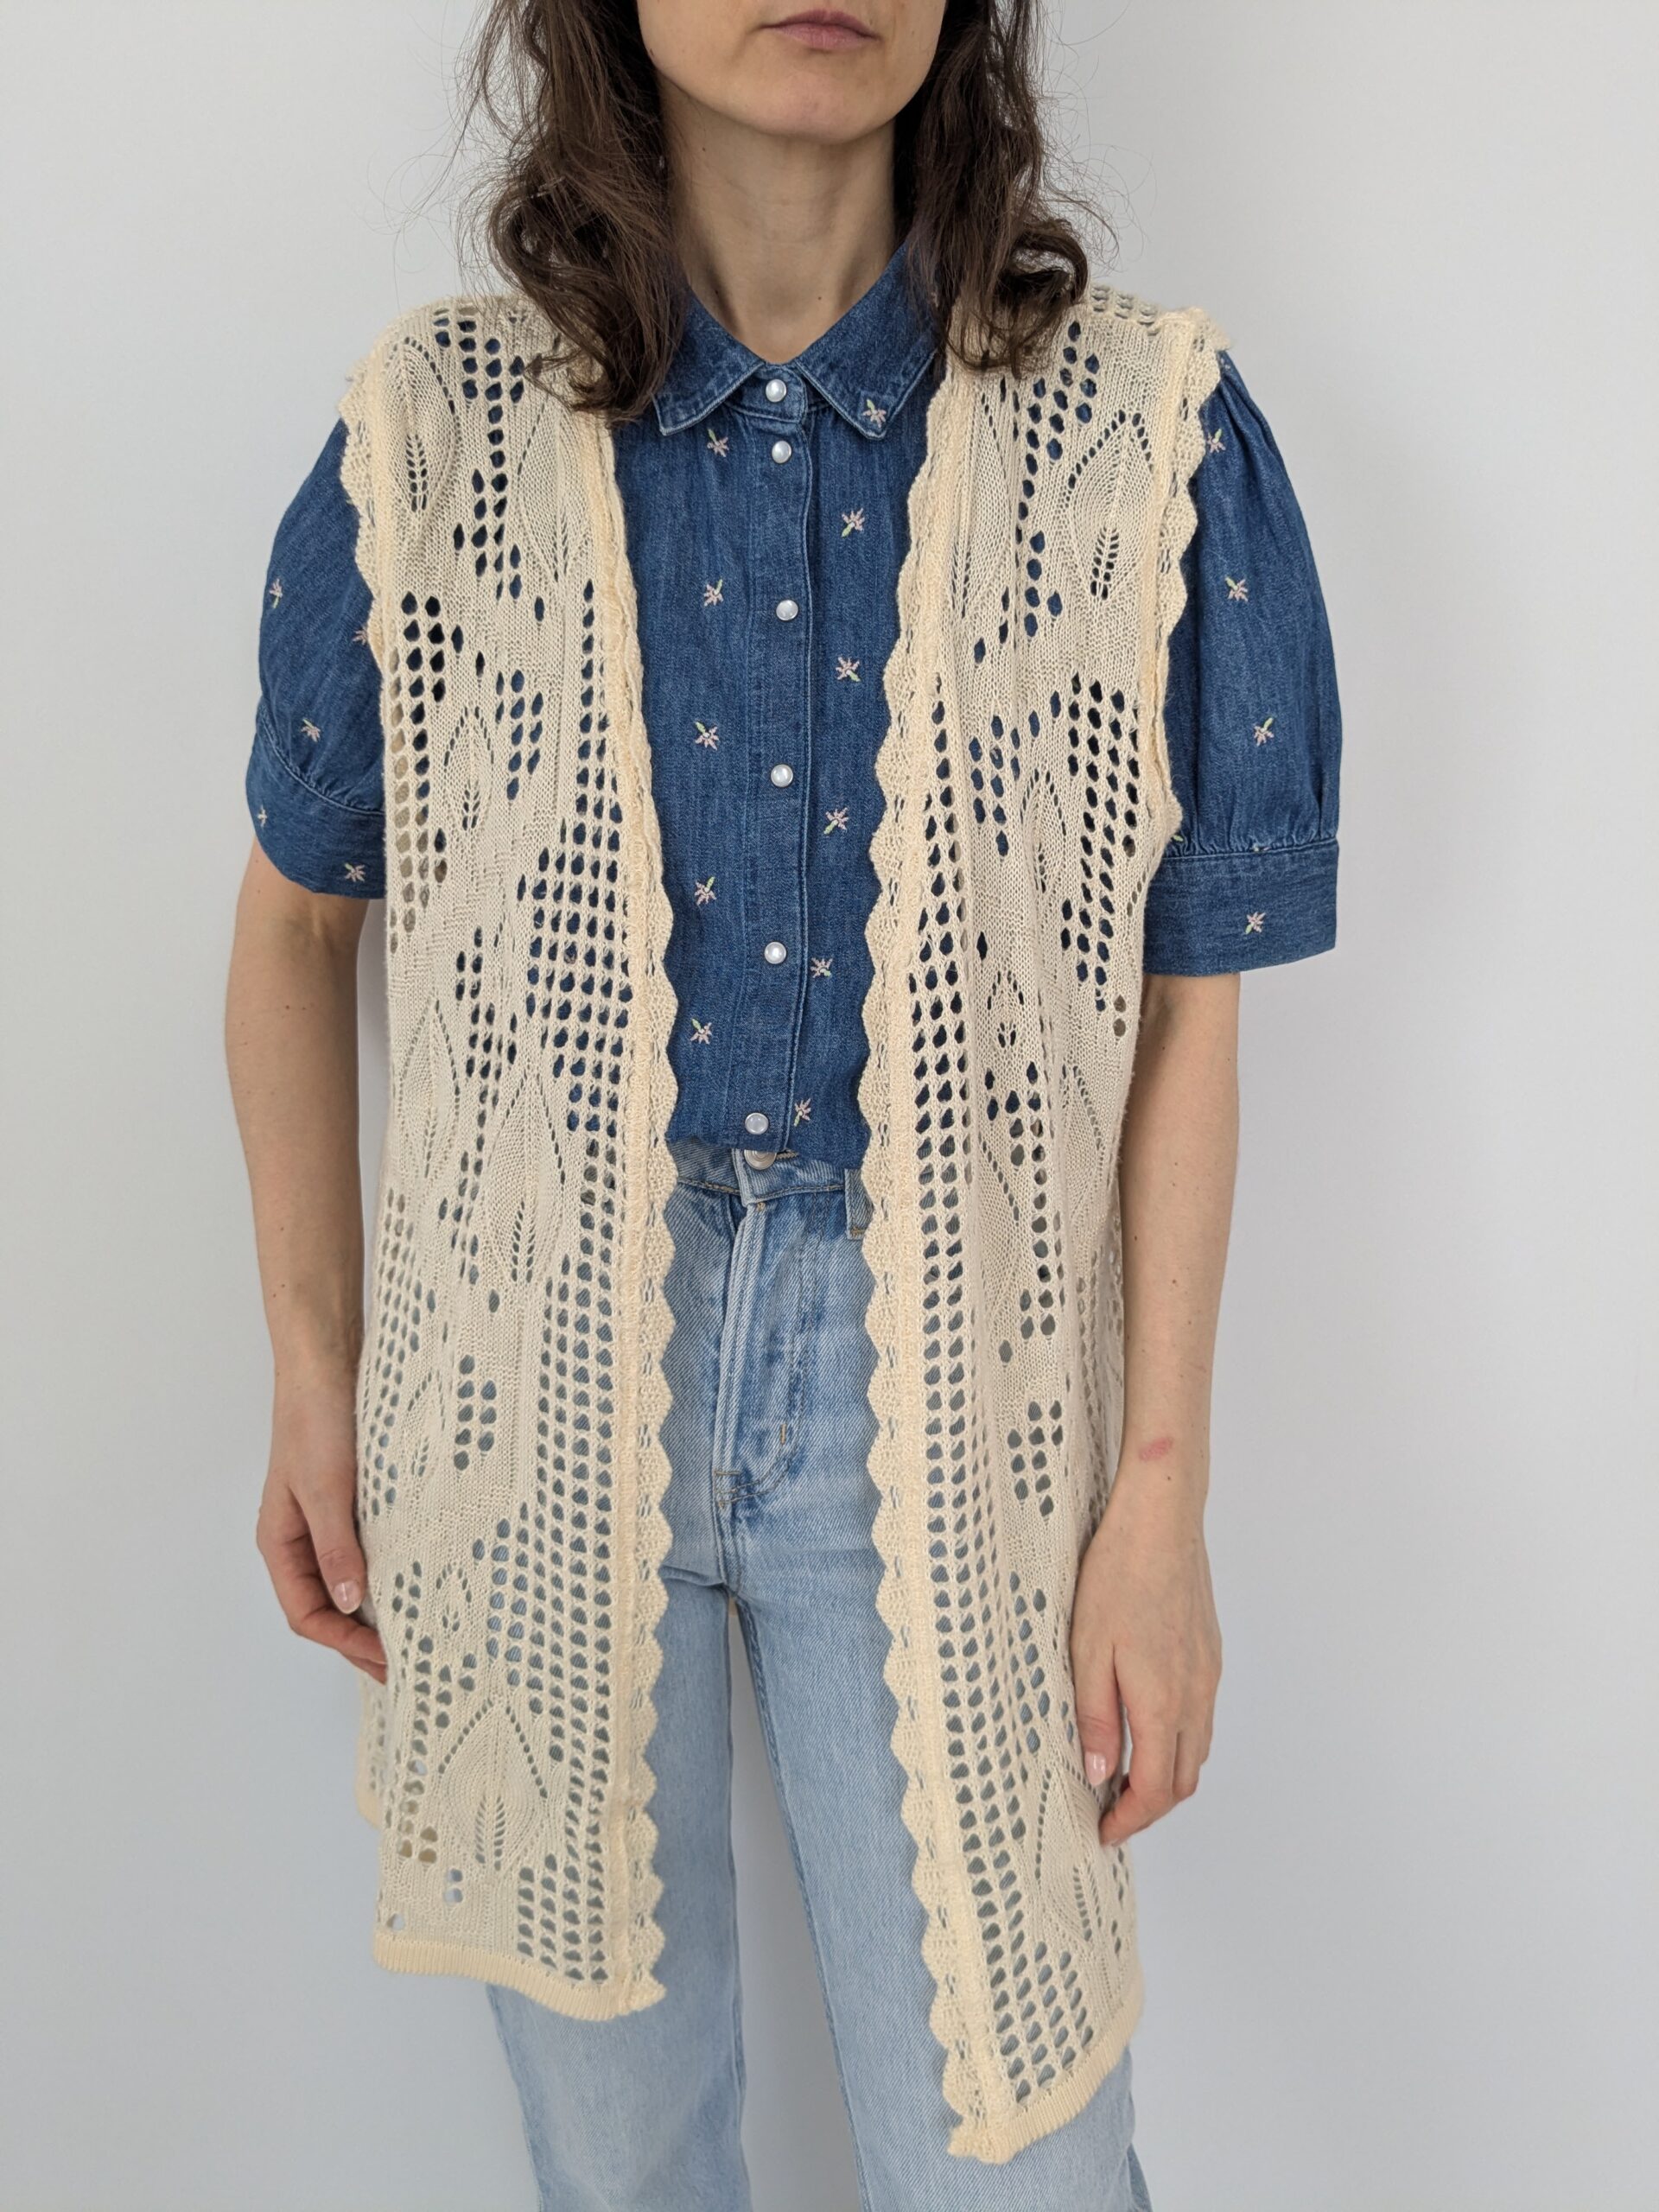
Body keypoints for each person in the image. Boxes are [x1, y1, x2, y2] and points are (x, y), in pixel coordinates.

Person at [225, 3, 1341, 2205]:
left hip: (955, 1364)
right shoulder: (436, 434)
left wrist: (1160, 1496)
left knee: (1018, 2150)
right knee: (619, 2159)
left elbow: (1186, 1004)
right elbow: (289, 930)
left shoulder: (1143, 437)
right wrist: (317, 1367)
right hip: (534, 1356)